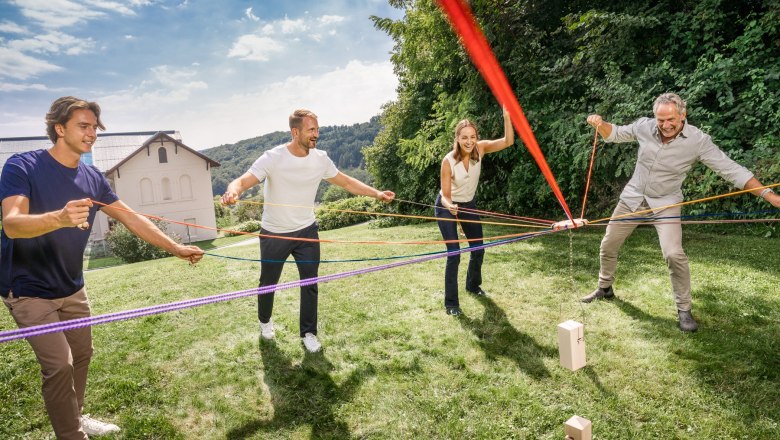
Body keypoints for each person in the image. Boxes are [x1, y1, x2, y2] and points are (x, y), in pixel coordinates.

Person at [0, 96, 204, 439]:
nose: (92, 133)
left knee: (81, 354)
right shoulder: (23, 166)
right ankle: (70, 434)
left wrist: (175, 247)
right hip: (27, 289)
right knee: (59, 364)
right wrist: (59, 218)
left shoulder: (92, 177)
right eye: (84, 126)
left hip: (71, 286)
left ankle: (76, 416)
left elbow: (131, 218)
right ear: (59, 128)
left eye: (95, 127)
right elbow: (12, 224)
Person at [580, 93, 780, 332]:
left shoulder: (698, 141)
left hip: (666, 203)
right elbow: (613, 134)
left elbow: (731, 170)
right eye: (660, 119)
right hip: (633, 198)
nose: (665, 125)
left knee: (674, 254)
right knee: (608, 244)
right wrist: (600, 124)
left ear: (683, 115)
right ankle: (605, 287)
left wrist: (770, 195)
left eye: (671, 119)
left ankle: (684, 310)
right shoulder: (644, 127)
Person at [221, 109, 395, 353]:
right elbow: (242, 181)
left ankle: (309, 333)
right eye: (311, 130)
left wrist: (376, 193)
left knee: (311, 282)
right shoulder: (273, 158)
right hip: (274, 233)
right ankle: (265, 321)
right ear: (295, 132)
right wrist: (232, 191)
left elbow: (346, 182)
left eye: (317, 129)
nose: (317, 134)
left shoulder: (321, 159)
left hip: (306, 232)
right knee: (268, 282)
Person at [435, 107, 515, 316]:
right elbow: (445, 196)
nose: (469, 141)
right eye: (464, 138)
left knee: (478, 249)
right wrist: (451, 208)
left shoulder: (481, 149)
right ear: (457, 138)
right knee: (454, 255)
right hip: (446, 206)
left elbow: (508, 141)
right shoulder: (448, 161)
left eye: (472, 137)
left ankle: (473, 285)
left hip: (468, 204)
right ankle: (451, 304)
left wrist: (507, 117)